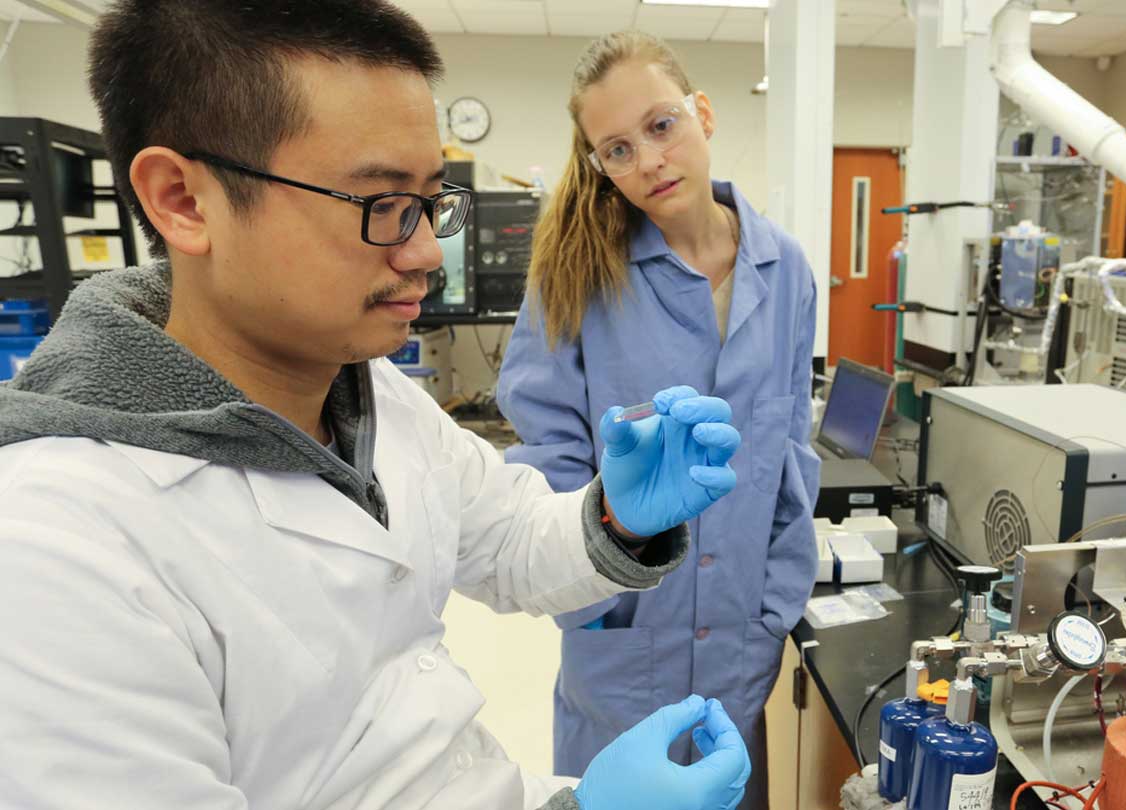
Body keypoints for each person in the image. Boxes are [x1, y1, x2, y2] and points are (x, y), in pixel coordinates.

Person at [0, 3, 752, 809]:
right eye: (380, 204)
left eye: (432, 200)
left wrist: (618, 521)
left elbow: (504, 542)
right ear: (184, 200)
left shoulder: (371, 391)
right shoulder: (55, 548)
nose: (428, 250)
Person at [497, 31, 821, 808]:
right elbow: (544, 461)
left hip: (743, 644)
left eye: (661, 125)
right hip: (621, 644)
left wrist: (776, 606)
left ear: (702, 113)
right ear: (599, 165)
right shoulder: (576, 276)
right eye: (615, 148)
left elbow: (790, 455)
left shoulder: (786, 271)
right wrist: (596, 603)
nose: (647, 160)